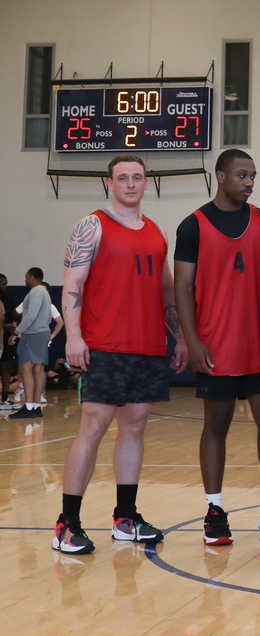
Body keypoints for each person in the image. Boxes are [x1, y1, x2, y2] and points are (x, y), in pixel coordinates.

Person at [52, 154, 188, 555]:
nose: (131, 183)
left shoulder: (155, 231)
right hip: (105, 344)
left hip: (147, 346)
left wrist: (178, 337)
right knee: (92, 428)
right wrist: (73, 338)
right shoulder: (92, 225)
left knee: (135, 428)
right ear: (110, 184)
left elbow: (166, 291)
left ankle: (125, 518)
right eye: (123, 177)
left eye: (137, 177)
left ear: (146, 184)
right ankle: (67, 524)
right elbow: (72, 284)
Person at [174, 148, 260, 546]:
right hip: (215, 346)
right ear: (220, 176)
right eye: (242, 175)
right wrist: (191, 339)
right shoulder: (192, 225)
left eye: (253, 175)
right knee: (216, 427)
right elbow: (182, 287)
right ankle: (214, 509)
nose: (249, 182)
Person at [7, 267, 52, 419]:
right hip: (42, 332)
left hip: (34, 333)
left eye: (26, 277)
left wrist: (16, 332)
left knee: (25, 369)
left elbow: (31, 315)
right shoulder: (45, 292)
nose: (25, 280)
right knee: (38, 370)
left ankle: (29, 406)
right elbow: (46, 318)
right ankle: (36, 406)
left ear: (33, 277)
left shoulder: (36, 292)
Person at [0, 273, 17, 409]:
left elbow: (15, 314)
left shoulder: (9, 298)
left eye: (5, 284)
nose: (4, 286)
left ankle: (4, 398)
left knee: (6, 367)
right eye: (1, 284)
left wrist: (14, 326)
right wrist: (3, 325)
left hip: (6, 339)